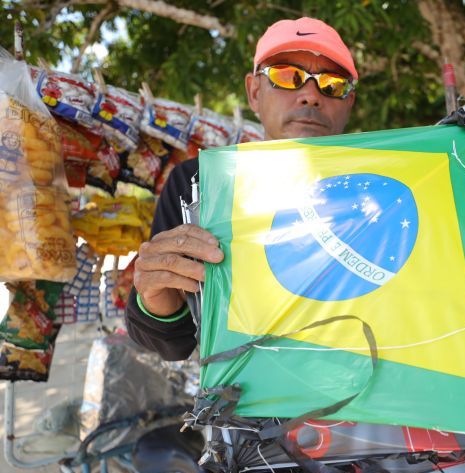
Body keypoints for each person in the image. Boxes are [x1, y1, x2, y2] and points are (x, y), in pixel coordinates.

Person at [125, 17, 358, 360]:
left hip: (369, 406)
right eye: (287, 76)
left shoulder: (389, 190)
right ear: (254, 92)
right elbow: (172, 344)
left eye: (333, 84)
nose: (310, 95)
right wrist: (156, 295)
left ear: (349, 102)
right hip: (243, 405)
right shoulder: (199, 184)